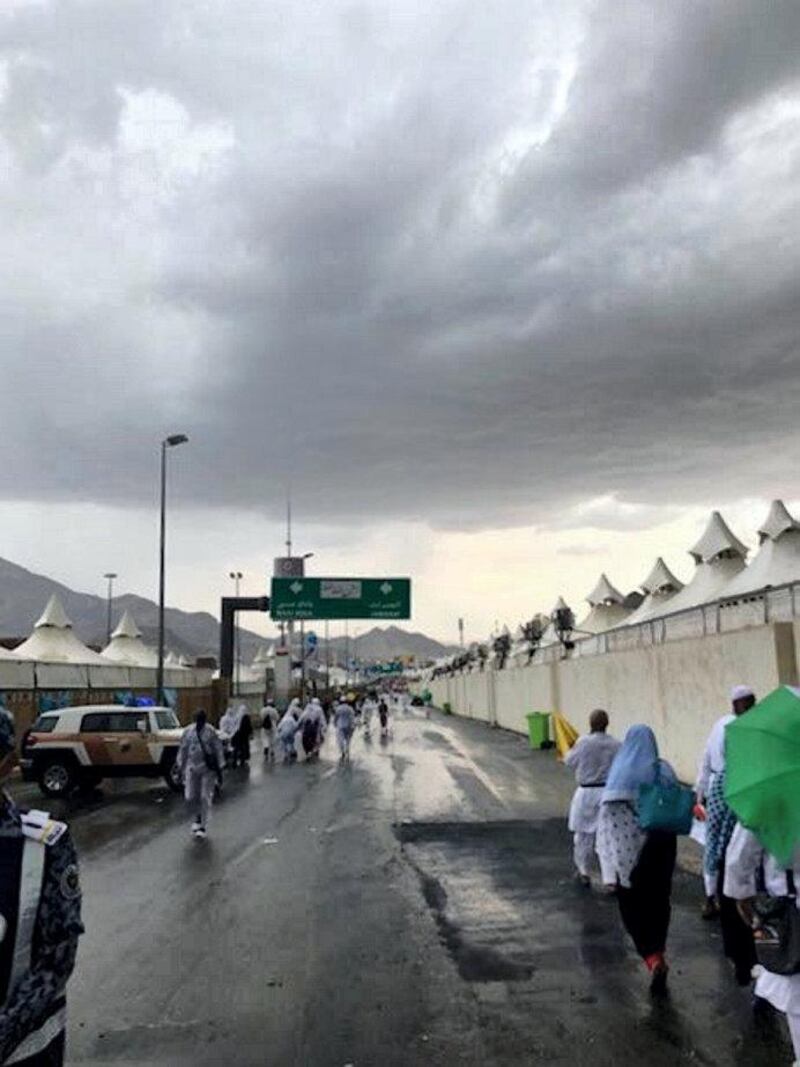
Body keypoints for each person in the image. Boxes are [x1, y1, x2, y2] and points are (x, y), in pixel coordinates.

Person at [0, 707, 84, 1066]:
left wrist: (5, 1032)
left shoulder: (43, 844)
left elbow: (56, 959)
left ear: (7, 763)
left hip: (26, 1050)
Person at [596, 724, 678, 994]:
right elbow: (676, 804)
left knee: (632, 909)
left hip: (631, 856)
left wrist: (615, 866)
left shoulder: (618, 776)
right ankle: (660, 951)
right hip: (662, 849)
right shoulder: (663, 770)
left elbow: (609, 825)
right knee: (659, 903)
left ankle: (652, 958)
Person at [724, 823, 800, 1059]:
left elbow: (738, 858)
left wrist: (741, 895)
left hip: (789, 915)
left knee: (797, 996)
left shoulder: (768, 798)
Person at [695, 685, 757, 919]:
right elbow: (708, 759)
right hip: (734, 788)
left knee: (721, 842)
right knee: (732, 841)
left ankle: (718, 895)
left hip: (721, 789)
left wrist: (700, 791)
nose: (751, 706)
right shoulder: (735, 727)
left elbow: (705, 760)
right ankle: (725, 896)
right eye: (747, 702)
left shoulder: (721, 724)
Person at [563, 709, 621, 887]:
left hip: (586, 792)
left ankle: (583, 871)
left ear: (590, 724)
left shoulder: (583, 742)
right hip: (608, 793)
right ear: (607, 724)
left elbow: (569, 761)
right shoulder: (616, 744)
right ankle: (610, 879)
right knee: (608, 836)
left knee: (582, 835)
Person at [176, 710, 224, 838]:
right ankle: (197, 815)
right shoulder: (188, 732)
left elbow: (218, 749)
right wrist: (181, 768)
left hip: (207, 769)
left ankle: (202, 825)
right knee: (191, 796)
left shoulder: (210, 732)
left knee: (204, 796)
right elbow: (183, 750)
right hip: (192, 768)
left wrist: (219, 768)